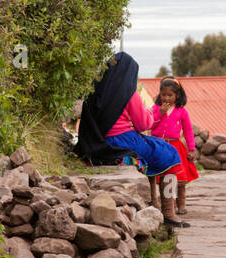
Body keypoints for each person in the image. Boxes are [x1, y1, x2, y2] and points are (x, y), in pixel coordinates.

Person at [74, 52, 187, 226]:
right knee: (170, 153)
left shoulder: (96, 89)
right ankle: (169, 213)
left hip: (98, 142)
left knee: (155, 154)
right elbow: (143, 124)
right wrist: (151, 114)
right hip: (124, 140)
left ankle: (153, 202)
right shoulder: (128, 93)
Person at [150, 77, 198, 217]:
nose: (166, 98)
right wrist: (160, 114)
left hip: (176, 147)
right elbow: (150, 124)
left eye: (170, 95)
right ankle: (167, 206)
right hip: (159, 146)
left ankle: (181, 204)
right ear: (159, 94)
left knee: (180, 179)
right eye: (163, 94)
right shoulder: (155, 109)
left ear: (177, 95)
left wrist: (191, 149)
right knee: (165, 178)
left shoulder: (181, 111)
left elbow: (188, 130)